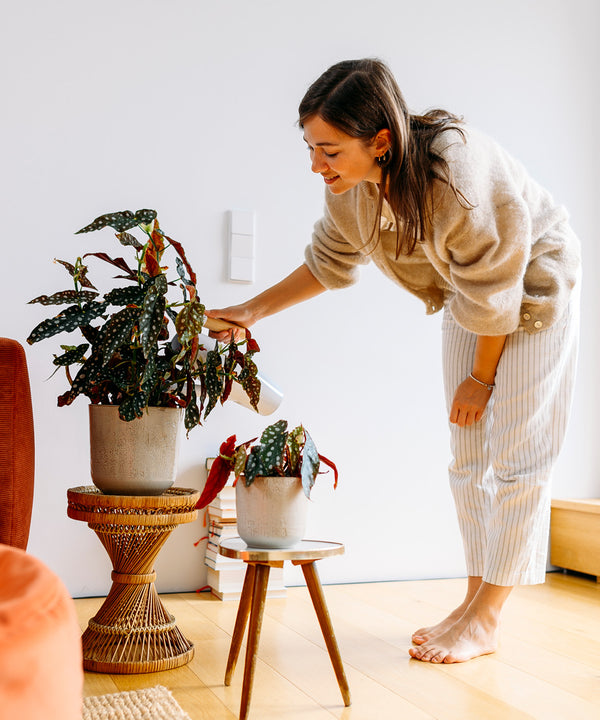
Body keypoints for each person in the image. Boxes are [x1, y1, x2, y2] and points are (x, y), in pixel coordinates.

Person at [206, 58, 581, 664]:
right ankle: (471, 600)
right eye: (310, 148)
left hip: (533, 283)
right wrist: (251, 310)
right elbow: (330, 262)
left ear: (380, 140)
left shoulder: (455, 172)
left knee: (518, 456)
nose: (315, 165)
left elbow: (498, 282)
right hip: (470, 290)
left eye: (328, 150)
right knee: (467, 456)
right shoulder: (352, 190)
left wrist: (481, 378)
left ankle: (489, 617)